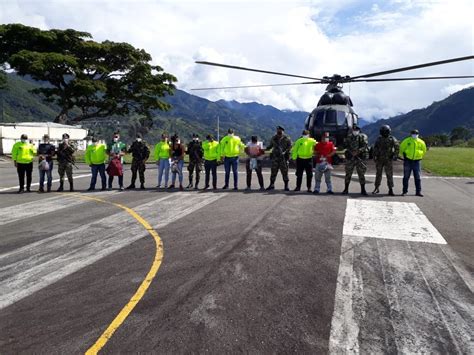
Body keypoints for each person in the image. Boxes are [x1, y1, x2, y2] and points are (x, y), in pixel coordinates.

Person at [372, 125, 399, 196]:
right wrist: (374, 156)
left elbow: (397, 147)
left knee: (389, 175)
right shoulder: (379, 139)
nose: (384, 133)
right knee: (378, 174)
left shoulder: (392, 138)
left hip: (388, 160)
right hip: (379, 159)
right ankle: (376, 187)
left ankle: (390, 189)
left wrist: (395, 156)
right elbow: (375, 147)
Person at [342, 125, 369, 195]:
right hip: (350, 158)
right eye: (354, 130)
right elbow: (345, 145)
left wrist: (358, 151)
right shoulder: (349, 137)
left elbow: (365, 146)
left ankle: (363, 190)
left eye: (356, 130)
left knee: (361, 174)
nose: (355, 131)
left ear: (359, 131)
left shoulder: (362, 137)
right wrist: (351, 152)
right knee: (348, 174)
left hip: (359, 158)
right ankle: (346, 189)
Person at [399, 129, 427, 197]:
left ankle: (418, 192)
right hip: (408, 161)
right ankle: (404, 191)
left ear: (418, 134)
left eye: (416, 133)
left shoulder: (421, 142)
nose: (415, 135)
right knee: (406, 177)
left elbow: (424, 150)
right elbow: (401, 149)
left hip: (417, 161)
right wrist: (404, 156)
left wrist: (420, 156)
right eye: (413, 133)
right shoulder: (406, 141)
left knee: (418, 177)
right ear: (411, 134)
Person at [266, 126, 292, 191]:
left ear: (283, 131)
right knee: (273, 172)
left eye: (280, 131)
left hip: (283, 158)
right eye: (278, 130)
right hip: (275, 157)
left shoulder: (287, 138)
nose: (278, 132)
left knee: (285, 172)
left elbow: (290, 146)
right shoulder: (274, 138)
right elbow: (270, 146)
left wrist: (285, 152)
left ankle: (286, 186)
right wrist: (264, 149)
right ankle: (271, 185)